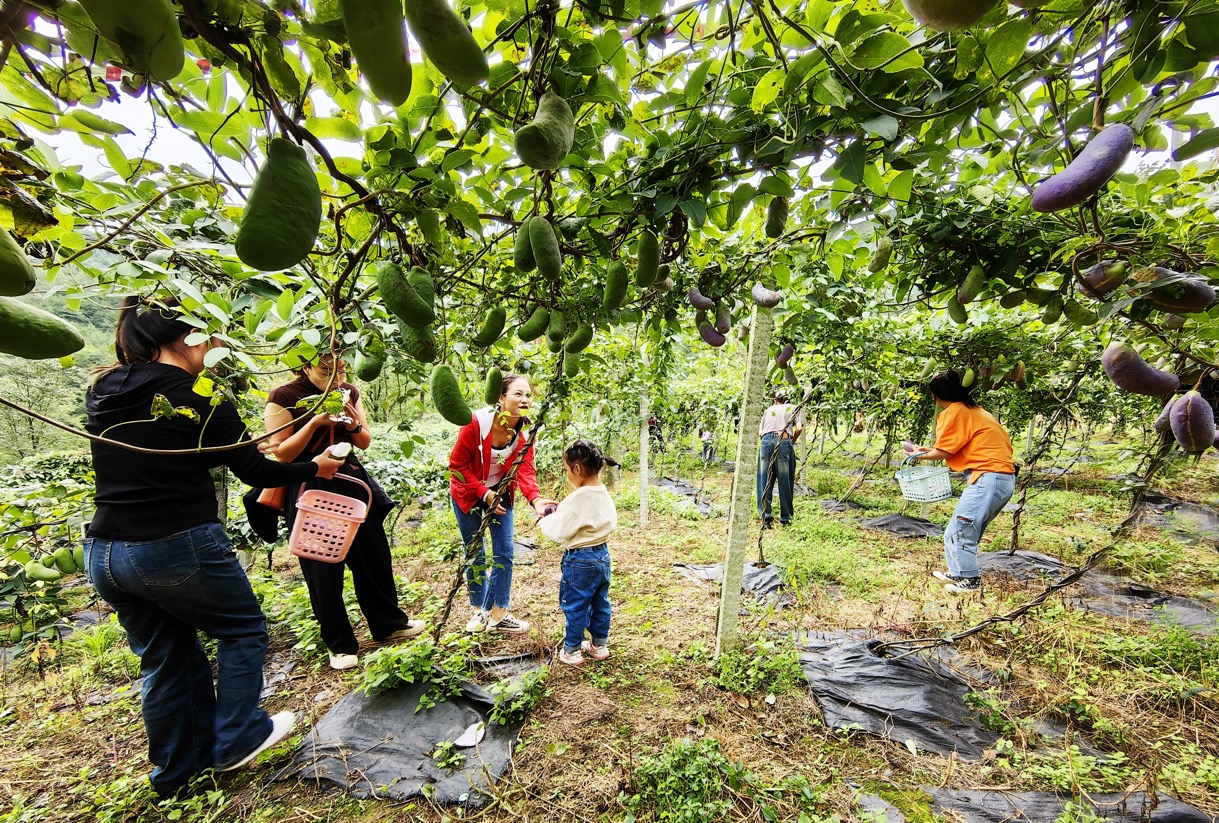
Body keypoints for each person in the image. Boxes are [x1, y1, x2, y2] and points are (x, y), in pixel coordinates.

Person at [83, 297, 348, 797]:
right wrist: (317, 468)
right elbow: (256, 471)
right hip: (172, 541)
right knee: (243, 627)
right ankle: (239, 735)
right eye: (213, 335)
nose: (219, 345)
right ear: (188, 338)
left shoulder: (105, 388)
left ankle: (176, 775)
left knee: (166, 658)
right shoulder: (200, 392)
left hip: (105, 550)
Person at [264, 351, 423, 671]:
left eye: (341, 371)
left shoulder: (347, 390)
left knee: (373, 555)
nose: (335, 379)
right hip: (311, 484)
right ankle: (339, 645)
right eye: (326, 372)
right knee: (321, 567)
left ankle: (389, 623)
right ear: (304, 365)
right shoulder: (284, 397)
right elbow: (282, 454)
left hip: (350, 481)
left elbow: (364, 440)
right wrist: (314, 421)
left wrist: (351, 422)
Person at [449, 373, 554, 634]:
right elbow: (457, 466)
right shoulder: (476, 423)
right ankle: (478, 612)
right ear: (501, 397)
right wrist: (483, 493)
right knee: (475, 550)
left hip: (501, 492)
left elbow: (525, 469)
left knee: (505, 551)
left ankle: (498, 614)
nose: (524, 399)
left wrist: (536, 500)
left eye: (528, 394)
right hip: (468, 491)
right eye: (517, 394)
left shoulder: (526, 431)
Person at [910, 370, 1016, 594]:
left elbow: (946, 451)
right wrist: (927, 451)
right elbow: (956, 446)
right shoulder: (975, 411)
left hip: (989, 477)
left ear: (935, 396)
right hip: (998, 478)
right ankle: (959, 572)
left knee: (961, 528)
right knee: (965, 528)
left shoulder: (955, 411)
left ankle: (970, 581)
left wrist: (916, 455)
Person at [538, 440, 619, 666]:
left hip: (580, 559)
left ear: (577, 469)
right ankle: (599, 645)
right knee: (600, 601)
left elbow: (561, 529)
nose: (567, 474)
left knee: (576, 603)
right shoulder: (603, 493)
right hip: (602, 555)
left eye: (566, 470)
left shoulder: (577, 498)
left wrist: (546, 520)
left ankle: (572, 650)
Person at [757, 390, 804, 528]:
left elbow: (760, 432)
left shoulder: (769, 410)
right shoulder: (793, 407)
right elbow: (799, 428)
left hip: (766, 442)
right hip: (783, 440)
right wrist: (791, 442)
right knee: (785, 481)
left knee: (764, 480)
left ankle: (765, 519)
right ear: (786, 399)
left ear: (774, 400)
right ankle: (786, 519)